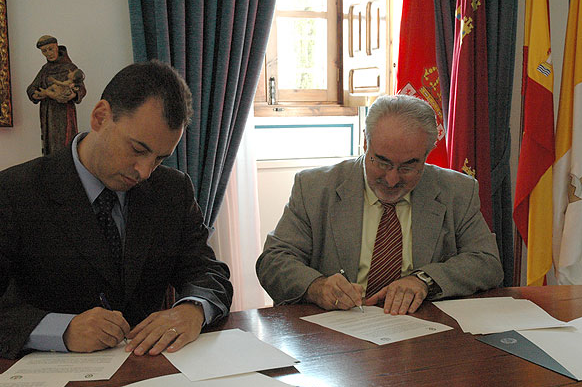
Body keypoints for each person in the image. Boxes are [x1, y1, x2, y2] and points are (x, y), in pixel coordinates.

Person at [0, 60, 233, 359]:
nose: (145, 171)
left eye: (160, 158)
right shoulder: (14, 191)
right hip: (53, 381)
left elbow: (207, 271)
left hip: (149, 375)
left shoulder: (172, 190)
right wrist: (60, 329)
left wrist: (192, 310)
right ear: (100, 117)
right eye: (138, 149)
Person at [256, 94, 502, 315]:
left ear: (427, 155)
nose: (392, 179)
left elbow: (487, 262)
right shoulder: (315, 188)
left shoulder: (456, 191)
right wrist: (316, 287)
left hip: (420, 330)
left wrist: (424, 281)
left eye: (408, 166)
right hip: (335, 334)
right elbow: (273, 261)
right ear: (366, 143)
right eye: (382, 162)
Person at [26, 35, 87, 155]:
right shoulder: (45, 70)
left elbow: (82, 89)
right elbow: (31, 88)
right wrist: (35, 94)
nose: (48, 53)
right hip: (48, 113)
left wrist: (73, 95)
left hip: (65, 113)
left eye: (50, 49)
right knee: (50, 145)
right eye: (44, 51)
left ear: (57, 47)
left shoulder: (70, 68)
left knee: (66, 143)